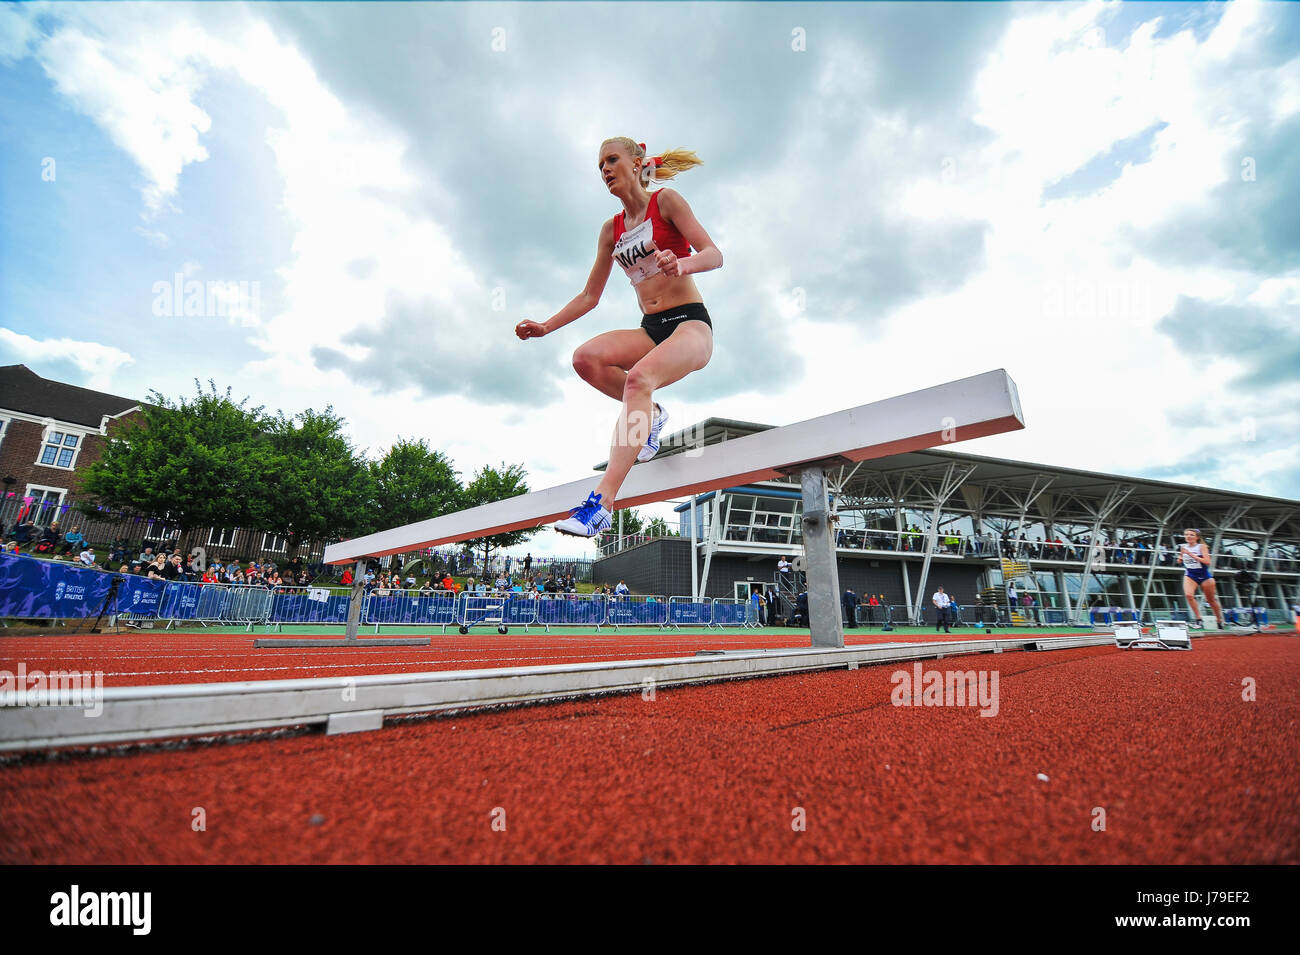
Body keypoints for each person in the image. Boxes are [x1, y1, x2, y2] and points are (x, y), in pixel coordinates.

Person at [516, 137, 723, 536]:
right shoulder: (611, 231)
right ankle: (653, 416)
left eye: (612, 160)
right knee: (585, 358)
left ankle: (602, 504)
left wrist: (682, 265)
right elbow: (590, 296)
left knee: (638, 378)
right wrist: (546, 326)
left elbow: (714, 254)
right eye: (600, 166)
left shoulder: (666, 202)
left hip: (690, 325)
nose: (605, 169)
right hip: (652, 330)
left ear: (637, 162)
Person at [1178, 528, 1224, 629]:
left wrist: (1191, 555)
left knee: (1211, 600)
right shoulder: (1183, 547)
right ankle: (1198, 619)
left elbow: (1207, 562)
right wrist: (1180, 559)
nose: (1188, 537)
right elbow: (1180, 558)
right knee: (1189, 595)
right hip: (1190, 574)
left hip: (1204, 576)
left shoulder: (1202, 547)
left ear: (1197, 537)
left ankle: (1219, 620)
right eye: (1186, 535)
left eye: (1191, 535)